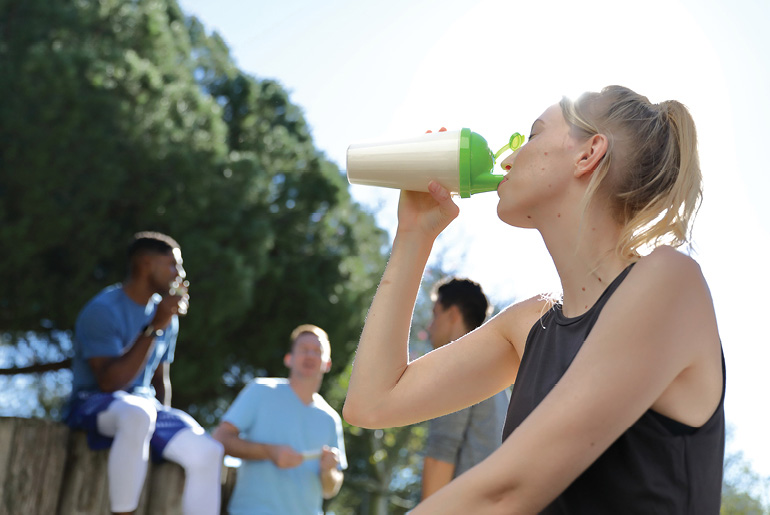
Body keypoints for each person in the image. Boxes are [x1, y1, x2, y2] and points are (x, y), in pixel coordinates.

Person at [343, 85, 725, 513]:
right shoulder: (528, 326)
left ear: (588, 153)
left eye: (533, 134)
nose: (507, 158)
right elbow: (371, 403)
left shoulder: (670, 283)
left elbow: (507, 491)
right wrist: (414, 234)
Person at [65, 231, 224, 515]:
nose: (181, 275)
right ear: (145, 264)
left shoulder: (164, 314)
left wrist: (162, 436)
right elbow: (110, 382)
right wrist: (154, 326)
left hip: (146, 409)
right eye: (173, 265)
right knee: (138, 413)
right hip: (94, 403)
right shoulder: (103, 310)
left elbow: (160, 380)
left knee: (209, 452)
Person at [213, 324, 347, 515]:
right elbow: (220, 439)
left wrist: (329, 472)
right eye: (303, 349)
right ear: (288, 359)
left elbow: (330, 489)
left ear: (328, 364)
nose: (310, 355)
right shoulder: (260, 391)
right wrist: (269, 452)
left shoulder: (330, 419)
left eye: (317, 351)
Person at [421, 278, 508, 500]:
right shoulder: (495, 376)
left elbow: (442, 452)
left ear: (453, 314)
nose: (430, 326)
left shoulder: (457, 367)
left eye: (435, 314)